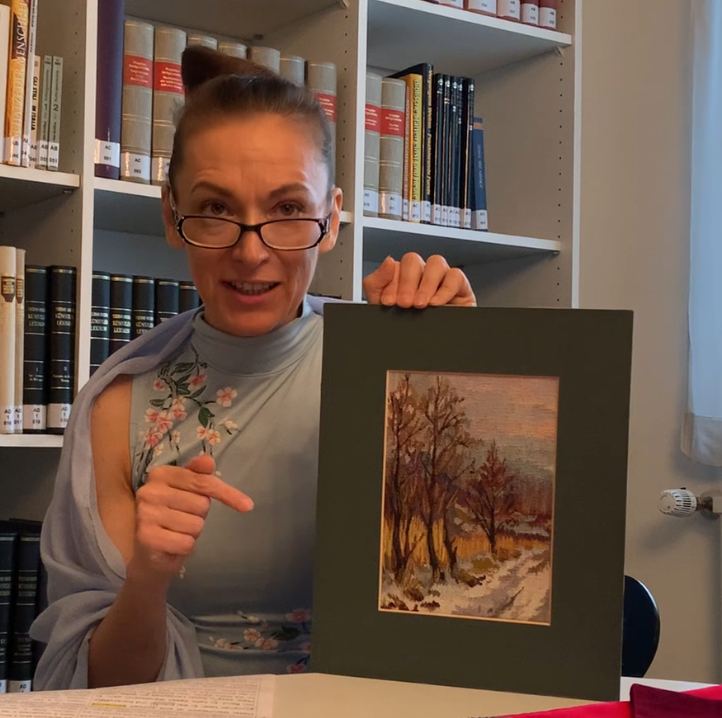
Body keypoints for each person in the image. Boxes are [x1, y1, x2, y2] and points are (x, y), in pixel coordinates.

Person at [29, 46, 476, 691]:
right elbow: (102, 688)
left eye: (288, 210)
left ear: (331, 219)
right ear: (171, 216)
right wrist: (148, 578)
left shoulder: (390, 369)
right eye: (215, 209)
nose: (249, 252)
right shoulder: (119, 408)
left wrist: (467, 364)